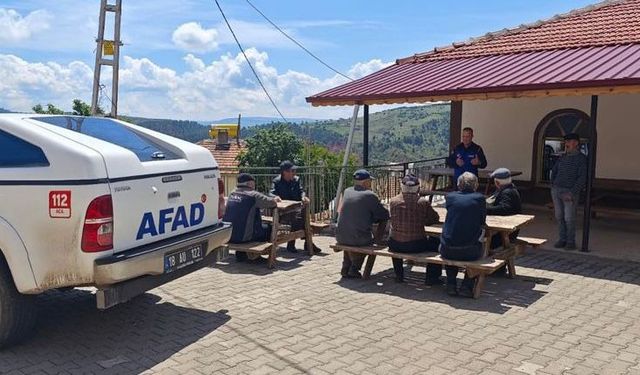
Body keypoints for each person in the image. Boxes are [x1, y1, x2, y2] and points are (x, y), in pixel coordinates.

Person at [388, 174, 442, 284]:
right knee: (437, 243)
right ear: (418, 187)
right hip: (417, 245)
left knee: (396, 236)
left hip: (395, 245)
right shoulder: (422, 202)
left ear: (402, 186)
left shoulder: (393, 201)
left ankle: (399, 275)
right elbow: (434, 218)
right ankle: (432, 277)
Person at [336, 169, 390, 278]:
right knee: (367, 240)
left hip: (340, 236)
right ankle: (354, 268)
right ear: (365, 182)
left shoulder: (347, 191)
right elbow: (384, 215)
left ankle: (345, 267)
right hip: (358, 239)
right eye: (370, 181)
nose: (370, 183)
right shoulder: (370, 195)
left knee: (351, 234)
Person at [440, 172, 486, 297]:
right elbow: (482, 221)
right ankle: (467, 286)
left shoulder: (450, 197)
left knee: (451, 239)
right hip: (470, 252)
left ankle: (451, 284)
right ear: (475, 185)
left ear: (459, 184)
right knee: (482, 246)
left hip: (447, 250)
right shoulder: (480, 198)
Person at [224, 173, 281, 262]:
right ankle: (257, 256)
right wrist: (275, 199)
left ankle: (241, 254)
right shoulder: (253, 195)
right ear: (250, 183)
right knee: (269, 228)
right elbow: (272, 203)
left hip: (229, 236)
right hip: (244, 238)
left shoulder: (232, 193)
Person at [270, 160, 321, 254]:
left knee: (299, 216)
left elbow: (301, 191)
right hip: (283, 211)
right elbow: (271, 193)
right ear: (285, 172)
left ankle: (294, 243)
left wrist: (303, 197)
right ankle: (306, 242)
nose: (294, 173)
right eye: (292, 171)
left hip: (296, 209)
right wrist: (275, 197)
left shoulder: (296, 180)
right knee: (301, 218)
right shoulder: (277, 181)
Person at [550, 133, 587, 250]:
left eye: (569, 141)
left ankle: (570, 241)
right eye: (565, 142)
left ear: (576, 143)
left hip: (569, 192)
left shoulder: (581, 159)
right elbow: (554, 170)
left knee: (569, 218)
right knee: (559, 216)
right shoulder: (562, 157)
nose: (566, 144)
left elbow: (582, 178)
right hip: (557, 189)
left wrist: (572, 192)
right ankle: (562, 239)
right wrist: (553, 184)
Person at [486, 167, 522, 249]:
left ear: (497, 182)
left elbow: (504, 209)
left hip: (506, 233)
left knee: (480, 240)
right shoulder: (507, 189)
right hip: (505, 230)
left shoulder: (507, 192)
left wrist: (485, 210)